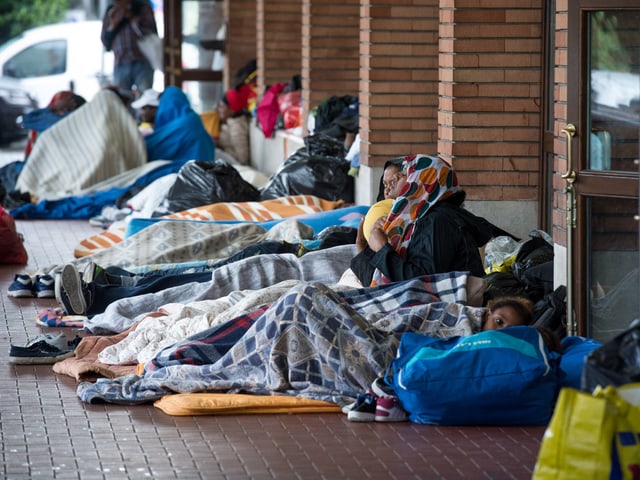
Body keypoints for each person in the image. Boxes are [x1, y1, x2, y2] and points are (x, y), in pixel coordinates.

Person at [350, 154, 516, 288]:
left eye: (398, 179)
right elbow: (372, 276)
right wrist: (365, 244)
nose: (388, 191)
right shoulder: (418, 220)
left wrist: (381, 249)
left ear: (423, 182)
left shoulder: (438, 221)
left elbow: (420, 282)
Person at [144, 86, 215, 162]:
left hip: (188, 169)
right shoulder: (193, 120)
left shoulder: (186, 124)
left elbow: (150, 149)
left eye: (162, 104)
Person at [101, 0, 158, 93]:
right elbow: (105, 41)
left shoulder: (143, 8)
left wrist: (132, 17)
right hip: (121, 62)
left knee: (144, 96)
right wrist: (113, 25)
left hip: (143, 60)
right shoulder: (111, 11)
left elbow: (152, 33)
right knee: (122, 98)